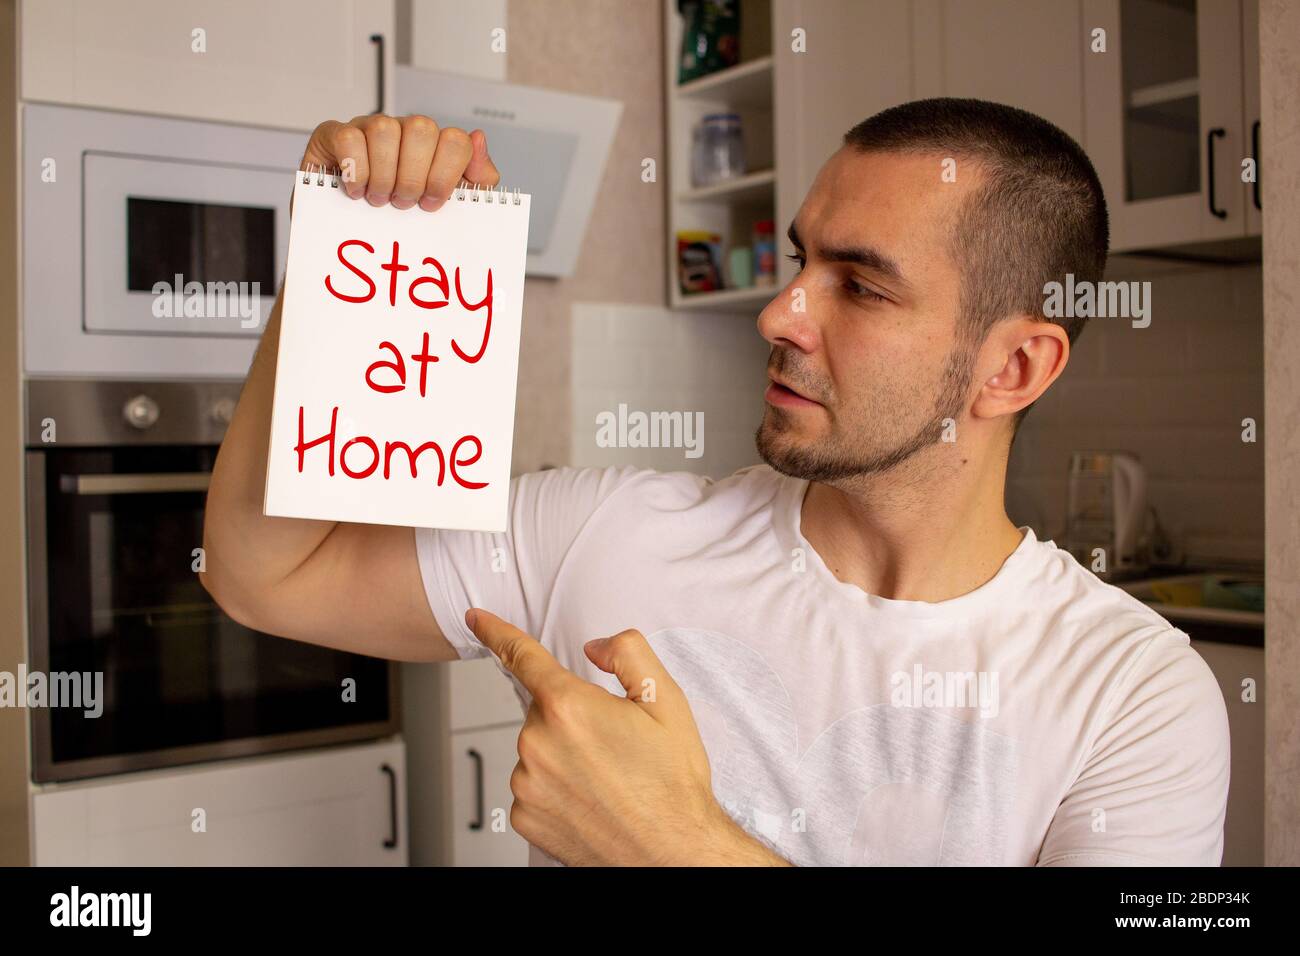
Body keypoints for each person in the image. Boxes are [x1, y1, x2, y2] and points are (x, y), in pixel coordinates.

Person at [201, 100, 1230, 867]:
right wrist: (345, 254)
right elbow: (267, 573)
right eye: (800, 263)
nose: (779, 315)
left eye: (860, 285)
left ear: (1011, 369)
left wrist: (677, 845)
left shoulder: (1135, 695)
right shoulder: (595, 530)